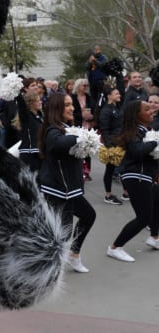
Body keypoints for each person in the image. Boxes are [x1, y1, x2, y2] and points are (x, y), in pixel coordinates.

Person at [37, 92, 96, 273]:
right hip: (57, 189)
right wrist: (81, 137)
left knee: (88, 216)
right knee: (63, 231)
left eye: (72, 104)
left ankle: (73, 254)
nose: (72, 108)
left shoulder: (66, 127)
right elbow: (57, 143)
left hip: (70, 189)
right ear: (57, 109)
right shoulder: (52, 129)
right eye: (67, 105)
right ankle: (45, 268)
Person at [107, 100, 159, 262]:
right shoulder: (134, 131)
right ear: (137, 115)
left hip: (145, 175)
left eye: (151, 108)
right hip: (136, 176)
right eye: (147, 109)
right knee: (143, 217)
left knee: (157, 198)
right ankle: (115, 247)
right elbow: (137, 151)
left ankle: (154, 237)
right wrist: (155, 142)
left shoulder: (145, 130)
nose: (151, 111)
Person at [98, 86, 125, 205]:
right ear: (109, 96)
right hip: (113, 144)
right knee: (110, 170)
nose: (119, 95)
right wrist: (110, 147)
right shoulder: (106, 111)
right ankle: (108, 195)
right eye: (116, 93)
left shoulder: (117, 107)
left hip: (121, 142)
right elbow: (104, 130)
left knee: (124, 168)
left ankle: (126, 193)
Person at [72, 78, 97, 181]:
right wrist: (81, 115)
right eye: (84, 85)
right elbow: (71, 113)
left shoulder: (89, 97)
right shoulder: (72, 98)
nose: (86, 87)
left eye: (87, 85)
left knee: (87, 148)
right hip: (77, 126)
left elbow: (95, 110)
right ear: (78, 86)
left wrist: (92, 117)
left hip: (88, 126)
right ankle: (78, 171)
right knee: (78, 149)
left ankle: (87, 171)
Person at [14, 90, 43, 172]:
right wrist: (17, 91)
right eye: (38, 100)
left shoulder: (40, 116)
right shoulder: (26, 116)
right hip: (29, 153)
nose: (40, 102)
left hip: (39, 153)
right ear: (31, 102)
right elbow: (21, 105)